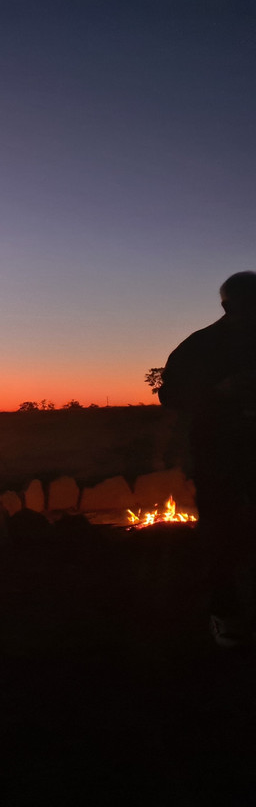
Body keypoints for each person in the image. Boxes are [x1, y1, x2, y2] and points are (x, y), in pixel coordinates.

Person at [159, 272, 256, 648]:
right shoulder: (200, 346)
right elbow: (170, 395)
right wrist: (219, 392)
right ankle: (225, 612)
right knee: (220, 531)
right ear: (230, 306)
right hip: (218, 451)